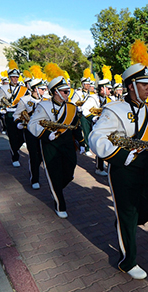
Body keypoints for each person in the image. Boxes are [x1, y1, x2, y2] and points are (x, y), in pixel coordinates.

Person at [89, 40, 148, 280]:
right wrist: (123, 156)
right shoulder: (114, 109)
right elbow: (95, 138)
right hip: (123, 169)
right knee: (129, 214)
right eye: (144, 84)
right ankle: (127, 261)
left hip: (145, 169)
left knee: (147, 210)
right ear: (131, 86)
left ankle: (123, 224)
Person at [28, 74, 86, 218]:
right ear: (56, 92)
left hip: (67, 144)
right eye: (65, 91)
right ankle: (59, 203)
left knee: (69, 173)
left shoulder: (71, 108)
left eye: (69, 91)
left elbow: (75, 126)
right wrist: (47, 134)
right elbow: (32, 123)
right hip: (50, 145)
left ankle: (56, 188)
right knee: (54, 173)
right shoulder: (44, 106)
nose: (68, 94)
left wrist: (82, 142)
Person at [13, 78, 47, 189]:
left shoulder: (47, 100)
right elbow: (16, 115)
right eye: (41, 89)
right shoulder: (24, 100)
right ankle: (34, 179)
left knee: (42, 155)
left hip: (43, 131)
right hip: (30, 131)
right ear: (35, 89)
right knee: (34, 155)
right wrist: (19, 122)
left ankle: (35, 168)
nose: (44, 90)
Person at [0, 62, 29, 168]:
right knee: (12, 137)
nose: (15, 79)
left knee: (21, 136)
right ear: (9, 78)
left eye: (16, 77)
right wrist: (2, 108)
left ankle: (16, 149)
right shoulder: (3, 88)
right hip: (9, 114)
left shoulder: (24, 89)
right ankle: (15, 156)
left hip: (20, 114)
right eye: (13, 77)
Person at [90, 65, 114, 176]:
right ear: (102, 88)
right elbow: (85, 111)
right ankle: (99, 168)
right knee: (100, 145)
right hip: (97, 126)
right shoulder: (93, 98)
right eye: (108, 88)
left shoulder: (111, 99)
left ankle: (106, 164)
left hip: (107, 126)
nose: (110, 91)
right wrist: (94, 117)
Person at [75, 69, 96, 157]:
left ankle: (88, 146)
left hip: (89, 114)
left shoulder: (92, 93)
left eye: (88, 84)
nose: (87, 85)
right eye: (86, 84)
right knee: (84, 132)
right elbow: (73, 103)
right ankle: (85, 147)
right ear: (82, 84)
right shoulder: (78, 93)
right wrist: (80, 106)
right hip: (81, 115)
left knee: (90, 132)